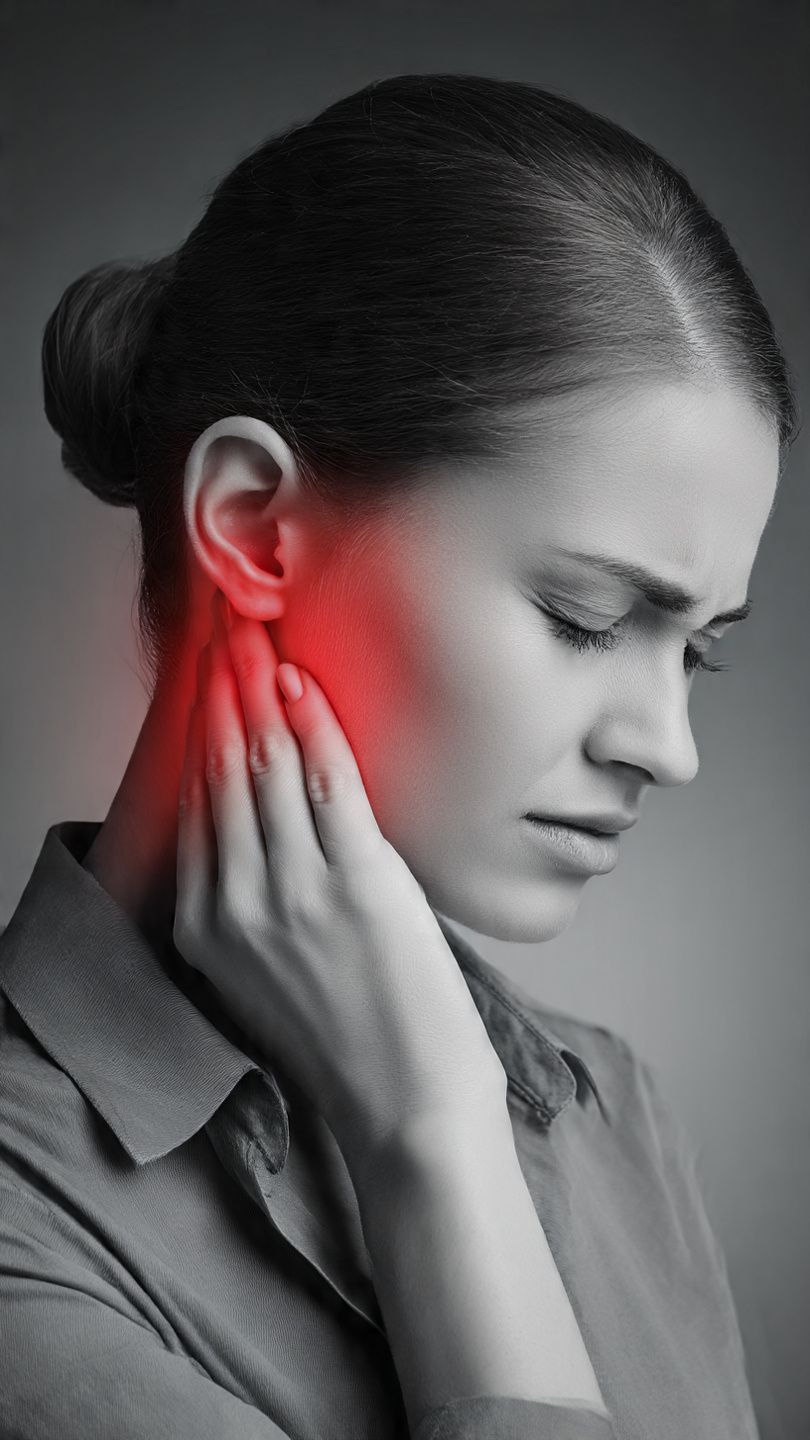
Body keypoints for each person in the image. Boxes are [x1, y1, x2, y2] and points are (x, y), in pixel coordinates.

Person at [0, 72, 797, 1440]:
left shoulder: (606, 1111)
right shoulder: (24, 1216)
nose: (669, 748)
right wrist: (432, 1138)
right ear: (251, 526)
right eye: (583, 614)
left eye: (700, 650)